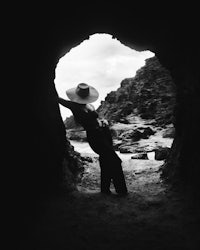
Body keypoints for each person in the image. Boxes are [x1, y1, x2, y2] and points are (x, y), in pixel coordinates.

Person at [57, 83, 128, 196]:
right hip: (95, 136)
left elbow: (97, 117)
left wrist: (103, 121)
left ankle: (105, 189)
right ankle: (122, 190)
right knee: (115, 160)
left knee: (105, 160)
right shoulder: (74, 106)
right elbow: (58, 99)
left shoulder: (89, 105)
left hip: (103, 132)